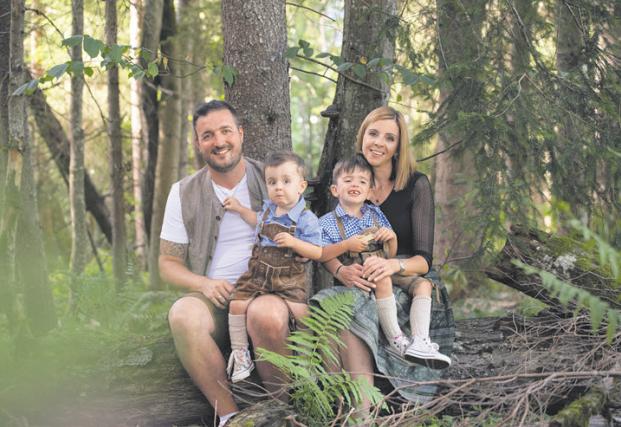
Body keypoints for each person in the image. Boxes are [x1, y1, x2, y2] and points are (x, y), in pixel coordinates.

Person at [160, 100, 308, 427]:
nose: (219, 141)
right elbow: (168, 263)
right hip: (215, 295)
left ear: (241, 133)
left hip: (269, 291)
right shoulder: (183, 192)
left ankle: (278, 414)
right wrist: (204, 283)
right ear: (198, 143)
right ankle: (230, 418)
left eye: (226, 131)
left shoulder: (273, 179)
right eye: (208, 135)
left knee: (266, 314)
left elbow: (304, 233)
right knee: (183, 315)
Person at [311, 106, 455, 405]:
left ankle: (367, 405)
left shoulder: (415, 185)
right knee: (341, 310)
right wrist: (339, 271)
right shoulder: (347, 177)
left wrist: (392, 265)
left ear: (398, 146)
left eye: (389, 138)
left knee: (359, 312)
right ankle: (343, 407)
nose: (378, 143)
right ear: (362, 136)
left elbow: (424, 259)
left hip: (405, 274)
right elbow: (327, 237)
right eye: (373, 133)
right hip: (358, 274)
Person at [319, 154, 451, 368]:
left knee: (424, 285)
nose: (355, 185)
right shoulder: (328, 222)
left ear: (369, 192)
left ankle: (420, 341)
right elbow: (321, 254)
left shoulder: (375, 214)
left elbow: (391, 253)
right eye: (348, 180)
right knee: (383, 279)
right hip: (360, 272)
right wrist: (345, 247)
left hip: (384, 265)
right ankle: (396, 340)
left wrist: (392, 238)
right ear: (335, 190)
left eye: (362, 181)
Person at [222, 151, 322, 383]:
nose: (278, 187)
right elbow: (254, 220)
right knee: (236, 303)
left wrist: (295, 243)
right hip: (258, 274)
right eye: (272, 182)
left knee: (303, 313)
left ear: (301, 186)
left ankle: (306, 362)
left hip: (288, 277)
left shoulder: (306, 218)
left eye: (286, 181)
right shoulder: (268, 210)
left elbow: (317, 252)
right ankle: (240, 354)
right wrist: (239, 208)